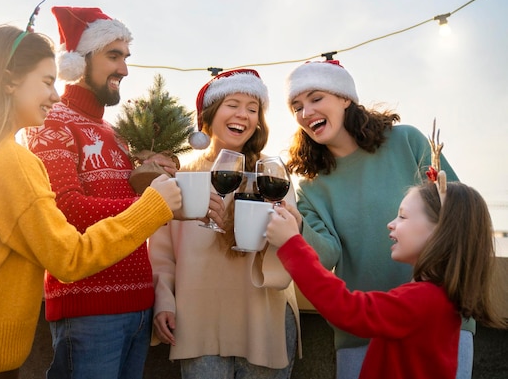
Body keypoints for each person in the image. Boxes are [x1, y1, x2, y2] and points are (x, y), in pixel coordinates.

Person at [0, 21, 182, 379]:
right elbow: (69, 258)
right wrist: (153, 206)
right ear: (9, 81)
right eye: (46, 82)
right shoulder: (11, 160)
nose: (55, 95)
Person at [283, 59, 475, 379]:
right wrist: (297, 227)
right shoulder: (312, 187)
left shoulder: (407, 142)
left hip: (439, 318)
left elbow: (457, 216)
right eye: (296, 106)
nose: (306, 113)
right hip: (360, 332)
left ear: (345, 97)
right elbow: (326, 255)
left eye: (316, 98)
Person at [24, 6, 178, 379]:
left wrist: (151, 174)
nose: (123, 69)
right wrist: (155, 204)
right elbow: (65, 210)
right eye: (113, 56)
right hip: (88, 311)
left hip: (140, 307)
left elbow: (129, 207)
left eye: (125, 57)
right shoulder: (50, 122)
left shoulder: (113, 132)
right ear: (78, 61)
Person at [266, 175, 508, 379]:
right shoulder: (442, 297)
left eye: (402, 217)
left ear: (440, 231)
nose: (391, 224)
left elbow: (346, 309)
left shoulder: (422, 300)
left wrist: (292, 244)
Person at [149, 69, 300, 379]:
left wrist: (274, 223)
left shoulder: (272, 175)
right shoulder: (181, 177)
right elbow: (160, 254)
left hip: (263, 320)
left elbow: (290, 247)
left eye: (252, 108)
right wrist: (163, 300)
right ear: (209, 115)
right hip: (197, 322)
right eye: (233, 104)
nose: (243, 115)